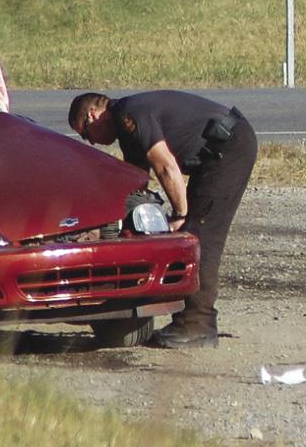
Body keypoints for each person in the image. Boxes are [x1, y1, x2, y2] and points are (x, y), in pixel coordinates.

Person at [70, 90, 257, 348]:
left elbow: (166, 166)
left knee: (198, 237)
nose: (90, 142)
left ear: (93, 115)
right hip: (214, 155)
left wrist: (180, 215)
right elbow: (136, 187)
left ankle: (197, 325)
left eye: (85, 133)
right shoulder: (128, 133)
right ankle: (186, 319)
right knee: (186, 233)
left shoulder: (129, 115)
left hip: (230, 147)